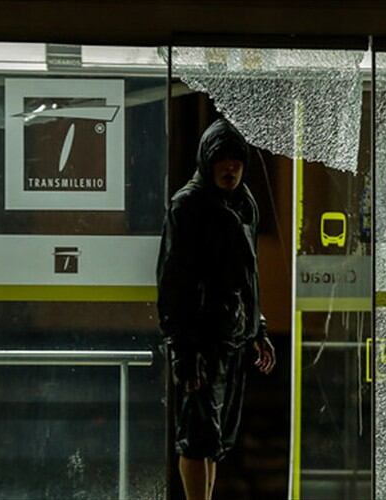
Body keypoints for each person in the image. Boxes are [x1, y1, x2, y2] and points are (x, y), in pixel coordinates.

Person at [157, 118, 276, 500]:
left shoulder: (243, 204)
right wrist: (183, 352)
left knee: (213, 436)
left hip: (231, 337)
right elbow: (173, 282)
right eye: (222, 161)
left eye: (236, 162)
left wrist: (256, 328)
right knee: (196, 434)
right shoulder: (189, 205)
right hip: (200, 339)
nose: (230, 168)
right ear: (207, 163)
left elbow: (248, 274)